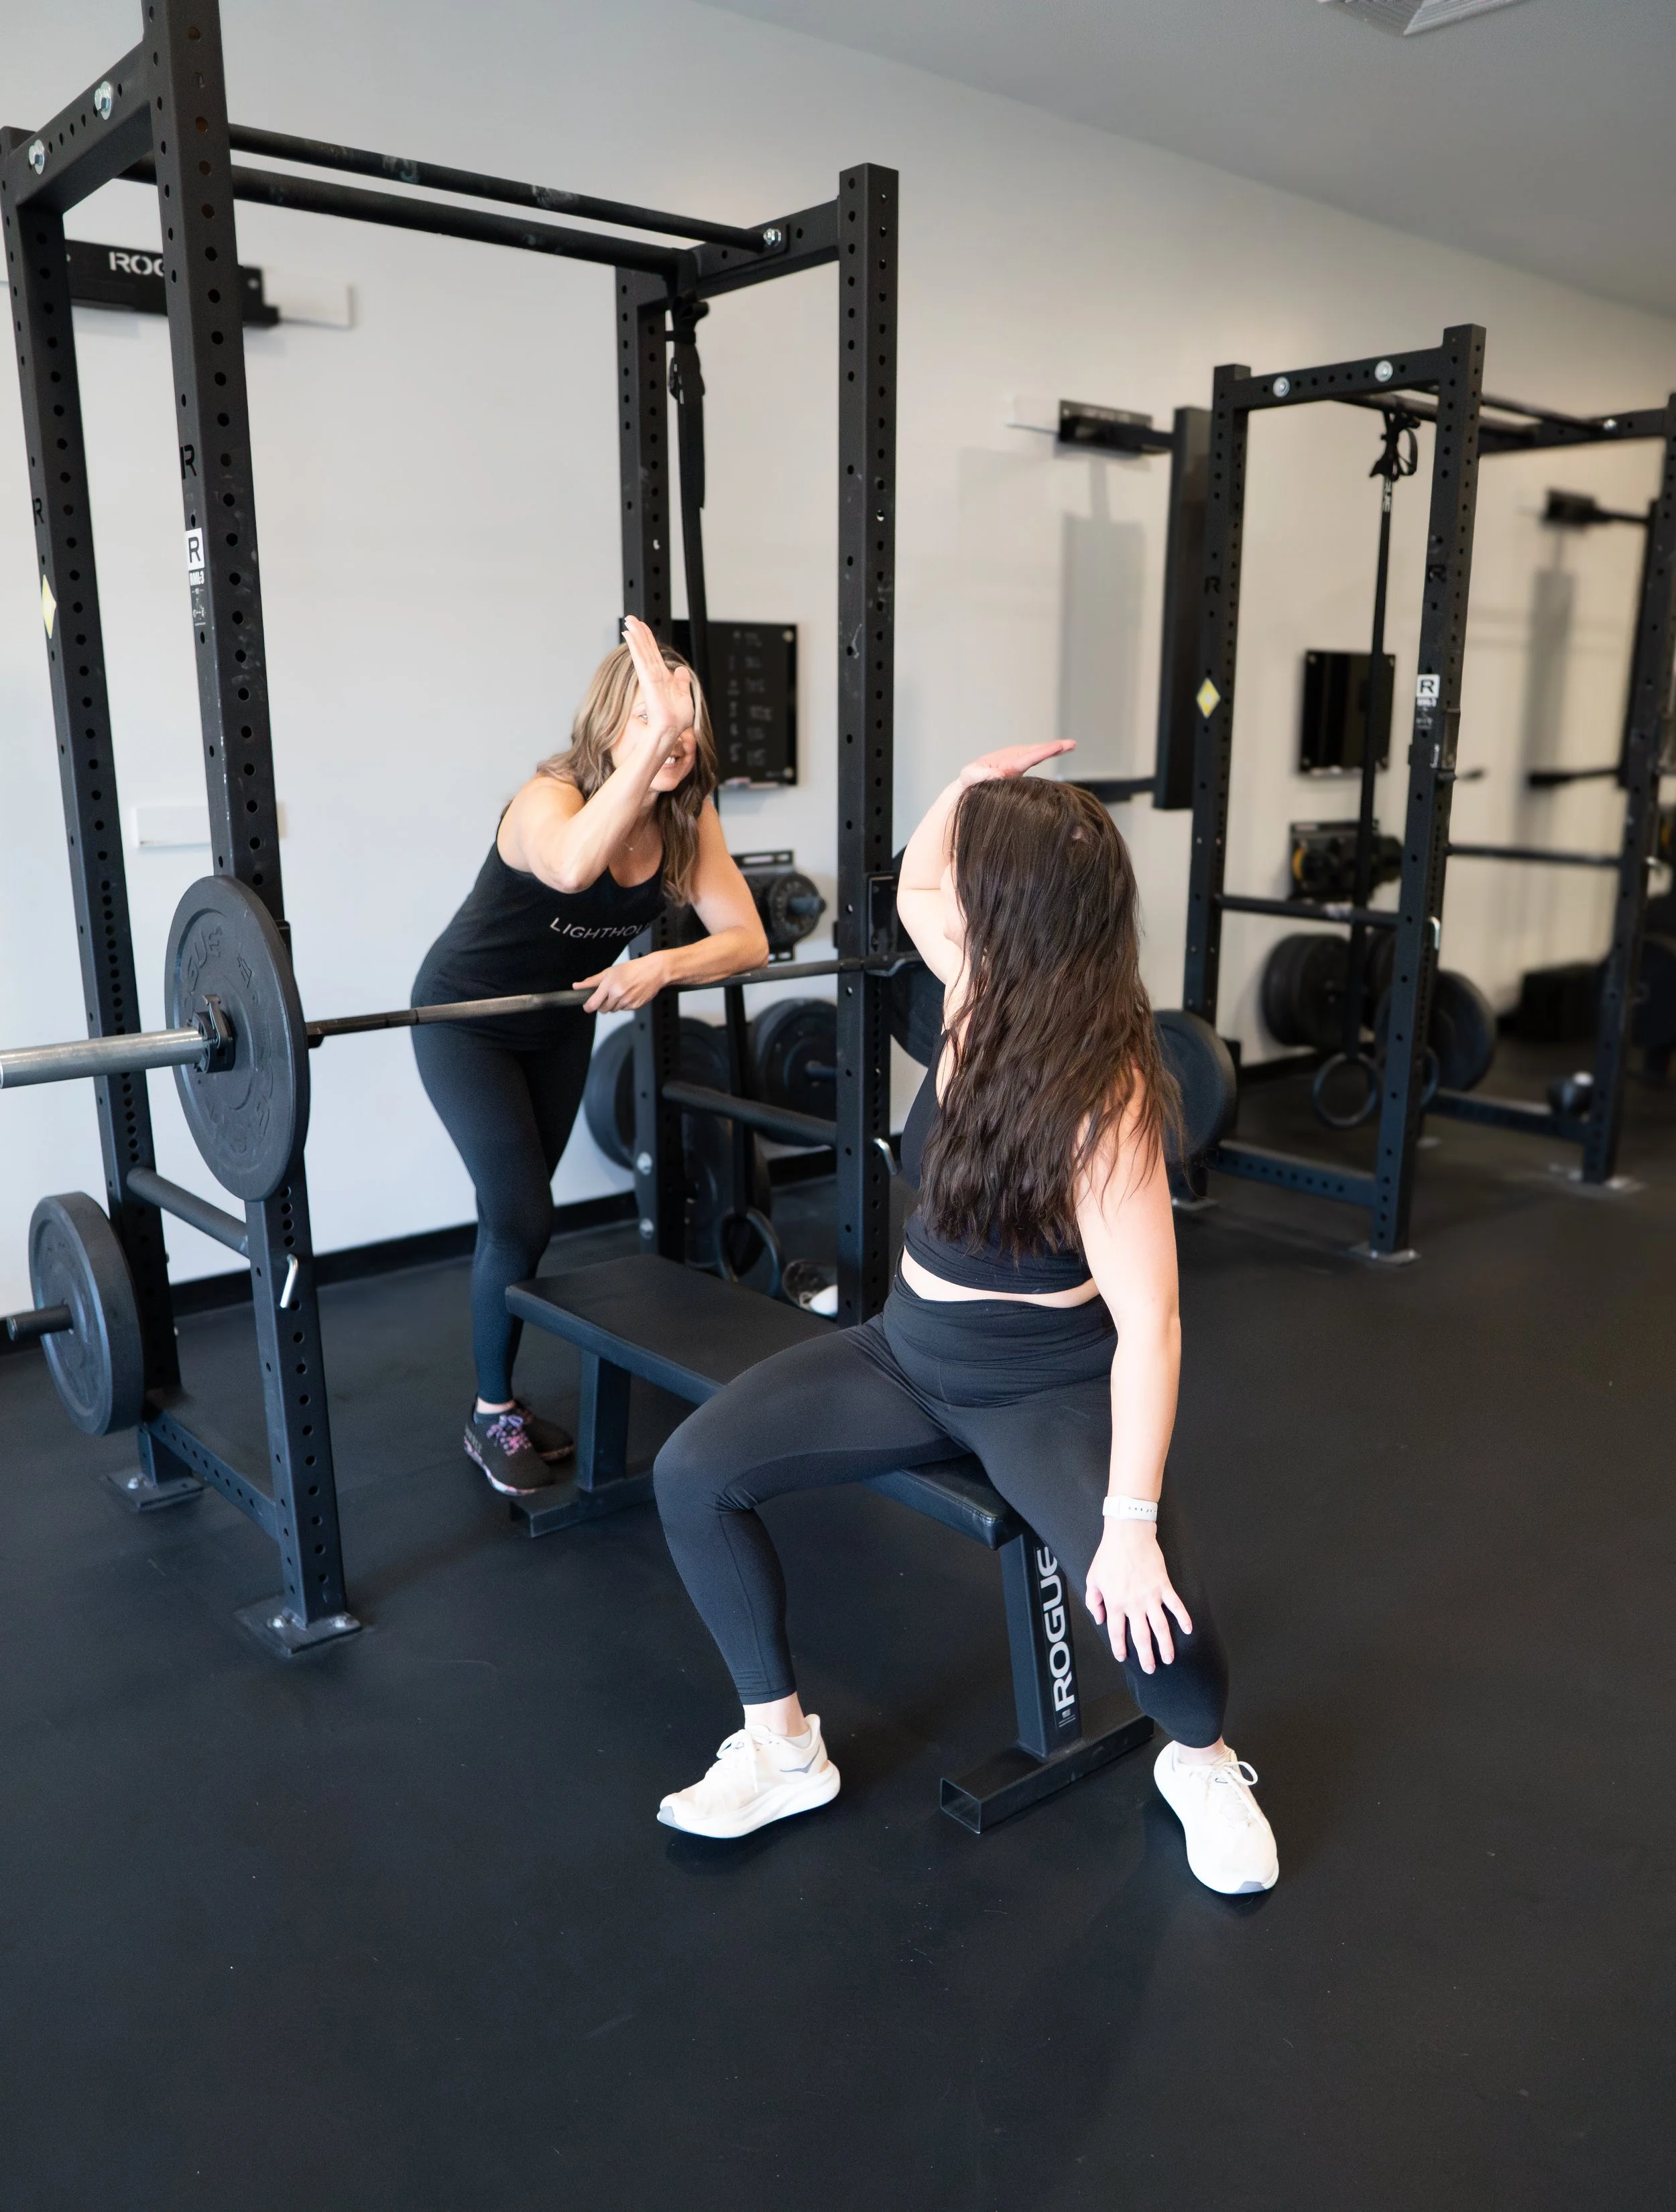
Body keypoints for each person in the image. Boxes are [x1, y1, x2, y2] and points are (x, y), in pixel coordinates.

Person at [650, 746, 1278, 1894]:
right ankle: (784, 1744)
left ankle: (1203, 1761)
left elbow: (1155, 1326)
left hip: (1043, 1387)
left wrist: (1130, 1522)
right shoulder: (979, 991)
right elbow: (915, 886)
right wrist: (973, 782)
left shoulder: (1109, 1098)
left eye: (988, 877)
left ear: (1023, 915)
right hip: (903, 1354)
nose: (961, 899)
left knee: (1166, 1644)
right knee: (693, 1471)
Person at [412, 617, 768, 1496]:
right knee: (520, 1213)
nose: (673, 742)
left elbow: (748, 939)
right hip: (467, 1019)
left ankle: (502, 1401)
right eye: (650, 719)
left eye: (685, 725)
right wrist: (649, 749)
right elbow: (573, 871)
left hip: (560, 1021)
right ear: (611, 724)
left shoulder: (688, 820)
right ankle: (491, 1411)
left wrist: (661, 963)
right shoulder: (550, 799)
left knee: (532, 1218)